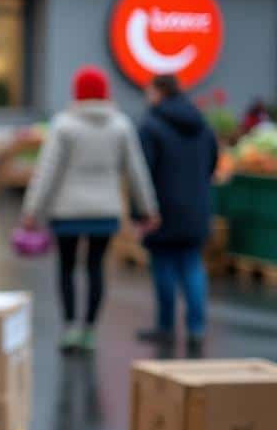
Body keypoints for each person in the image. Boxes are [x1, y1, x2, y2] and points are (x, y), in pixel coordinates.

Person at [21, 65, 159, 351]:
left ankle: (71, 327)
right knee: (96, 267)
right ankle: (91, 330)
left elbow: (48, 172)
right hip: (105, 211)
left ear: (77, 93)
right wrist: (147, 208)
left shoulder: (64, 125)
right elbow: (136, 171)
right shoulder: (121, 125)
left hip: (66, 211)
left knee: (67, 268)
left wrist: (32, 210)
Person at [135, 74, 218, 348]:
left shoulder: (151, 126)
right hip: (196, 207)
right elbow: (212, 162)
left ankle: (166, 326)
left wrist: (141, 212)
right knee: (192, 266)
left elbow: (142, 172)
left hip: (163, 209)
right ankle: (196, 328)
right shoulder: (202, 125)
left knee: (164, 267)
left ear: (159, 92)